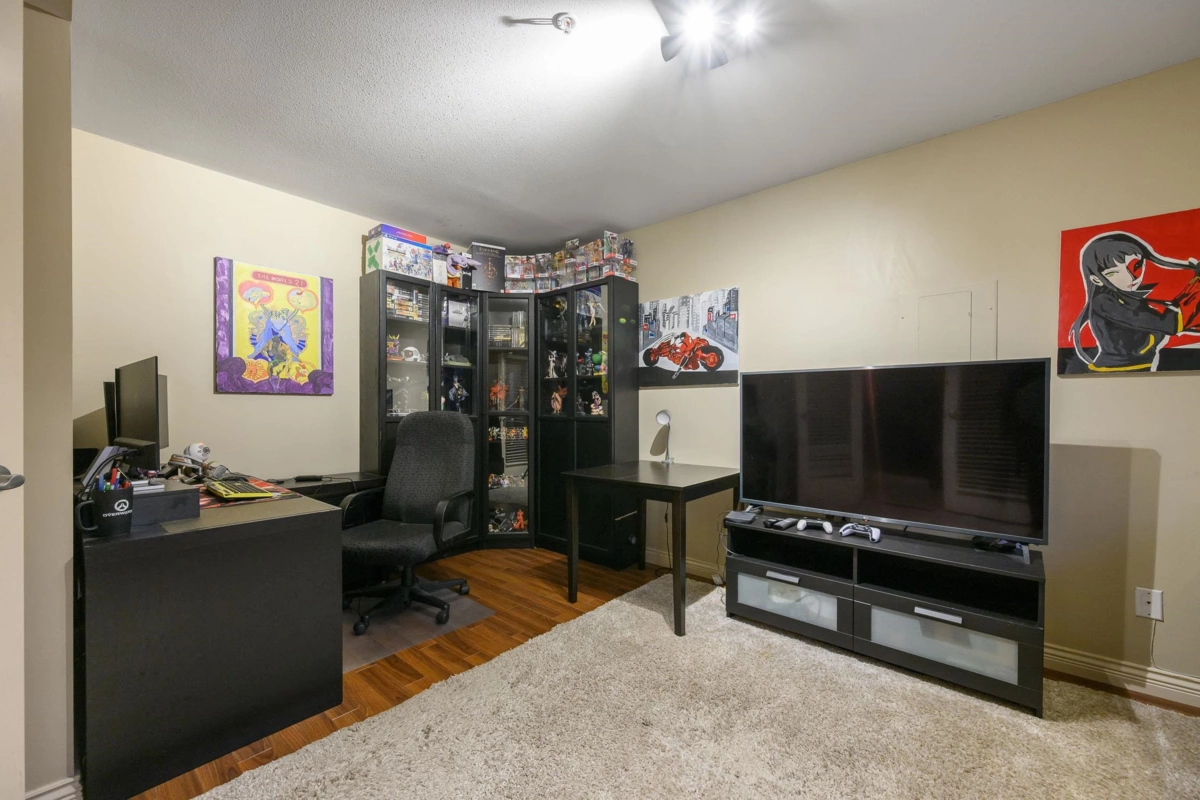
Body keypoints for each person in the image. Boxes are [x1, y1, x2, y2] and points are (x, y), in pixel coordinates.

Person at [1069, 232, 1200, 371]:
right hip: (1113, 371)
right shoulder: (1104, 302)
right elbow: (1169, 324)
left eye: (1136, 265)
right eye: (1113, 273)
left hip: (1135, 373)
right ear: (1096, 279)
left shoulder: (1131, 300)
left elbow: (1175, 321)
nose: (1130, 277)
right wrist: (1197, 284)